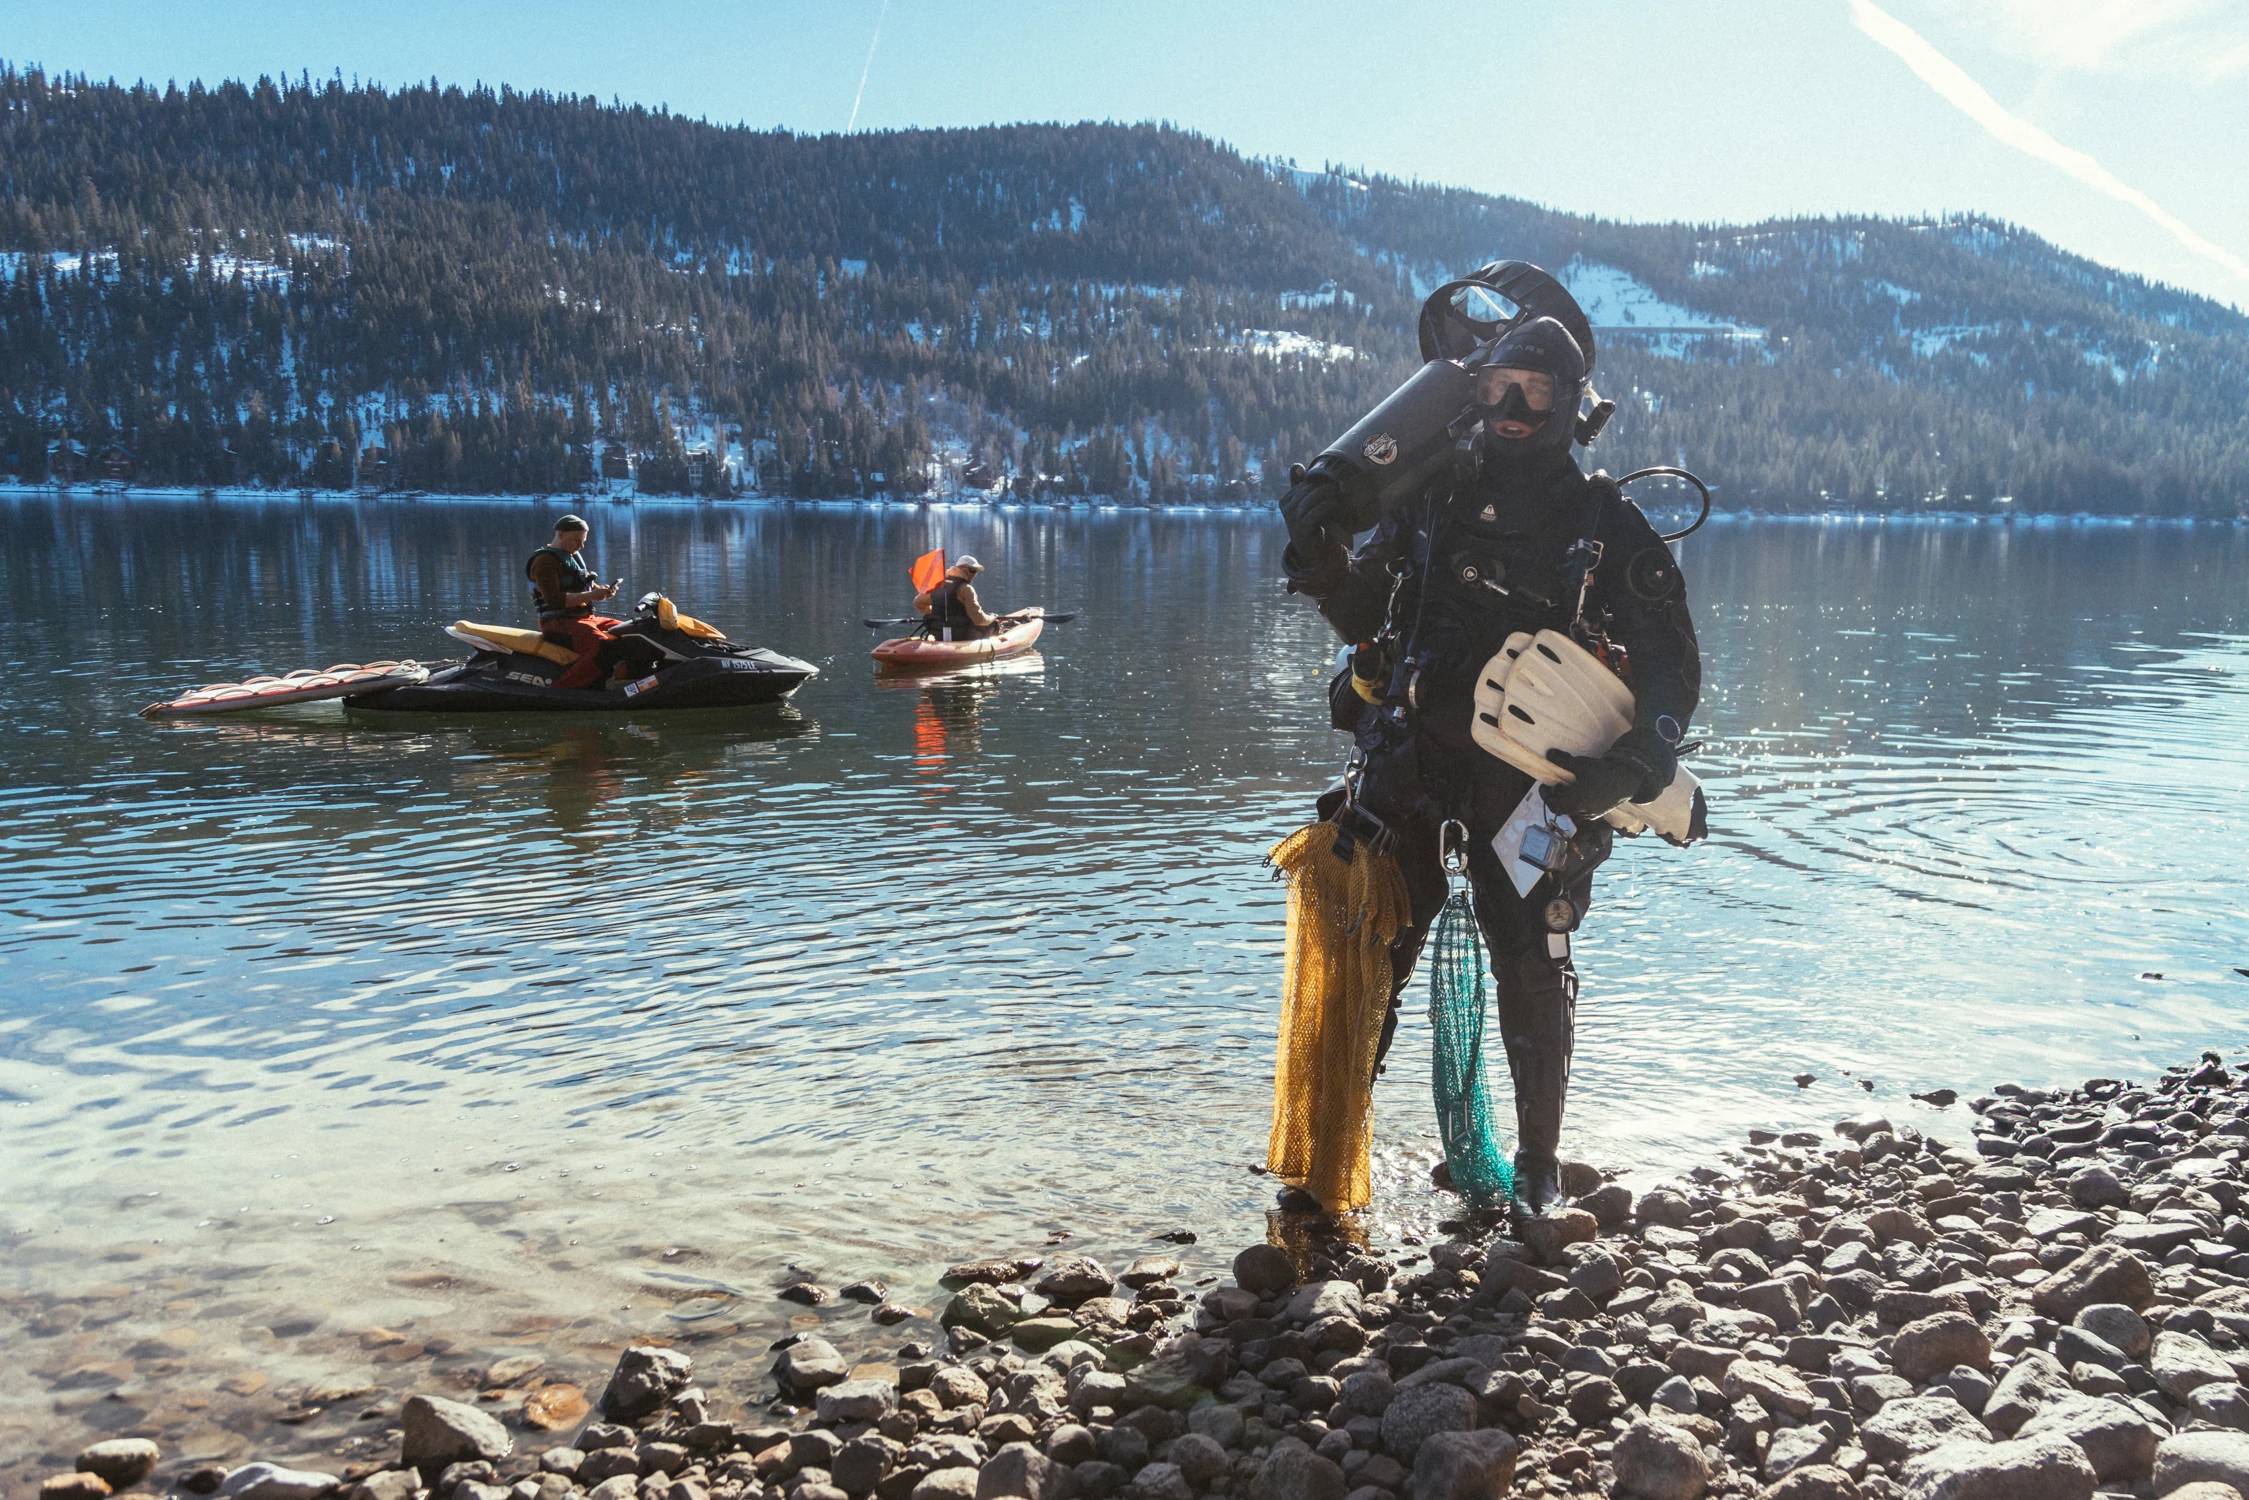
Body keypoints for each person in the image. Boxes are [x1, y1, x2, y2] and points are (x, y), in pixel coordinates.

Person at [1276, 309, 1703, 1218]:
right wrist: (1318, 560)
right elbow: (1368, 617)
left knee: (1532, 965)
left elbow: (1672, 668)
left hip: (1528, 782)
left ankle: (1539, 1168)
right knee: (1369, 960)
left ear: (1569, 404)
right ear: (1471, 392)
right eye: (1499, 387)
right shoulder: (1429, 499)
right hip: (1408, 766)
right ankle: (1328, 1166)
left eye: (1536, 391)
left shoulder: (1604, 521)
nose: (1513, 406)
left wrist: (1630, 767)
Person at [526, 515, 622, 690]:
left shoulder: (572, 556)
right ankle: (563, 688)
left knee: (628, 631)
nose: (581, 545)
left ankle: (621, 678)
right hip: (558, 623)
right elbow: (555, 601)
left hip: (585, 618)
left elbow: (586, 587)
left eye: (583, 541)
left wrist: (603, 591)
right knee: (604, 646)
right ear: (560, 534)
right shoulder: (544, 561)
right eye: (576, 540)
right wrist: (592, 595)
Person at [914, 555, 1000, 641]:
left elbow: (917, 602)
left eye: (976, 572)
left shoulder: (937, 586)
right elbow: (978, 620)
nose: (974, 575)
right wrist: (992, 617)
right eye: (972, 570)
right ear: (963, 569)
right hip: (962, 635)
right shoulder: (966, 589)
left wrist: (933, 613)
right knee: (994, 624)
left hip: (939, 634)